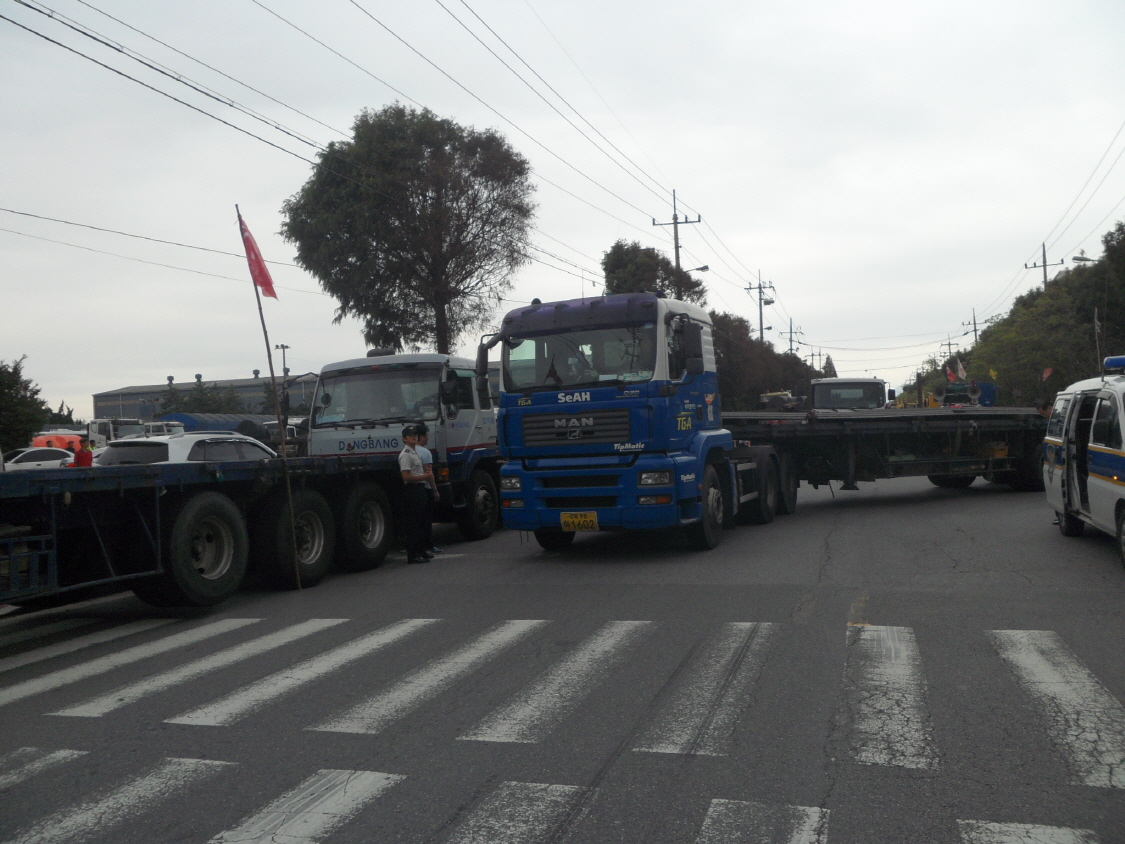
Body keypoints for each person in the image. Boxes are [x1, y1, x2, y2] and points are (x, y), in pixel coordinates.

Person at [398, 425, 433, 564]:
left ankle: (421, 551)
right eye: (411, 435)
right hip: (412, 489)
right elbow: (406, 476)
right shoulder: (406, 454)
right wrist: (424, 476)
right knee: (413, 523)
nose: (414, 436)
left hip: (420, 488)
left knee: (421, 522)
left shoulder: (415, 452)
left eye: (416, 434)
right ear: (404, 438)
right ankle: (413, 554)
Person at [415, 424, 442, 555]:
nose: (428, 438)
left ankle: (418, 546)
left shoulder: (408, 451)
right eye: (426, 435)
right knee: (426, 519)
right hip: (425, 488)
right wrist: (435, 490)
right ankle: (428, 545)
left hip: (413, 487)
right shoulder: (425, 453)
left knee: (417, 520)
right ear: (420, 437)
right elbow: (429, 474)